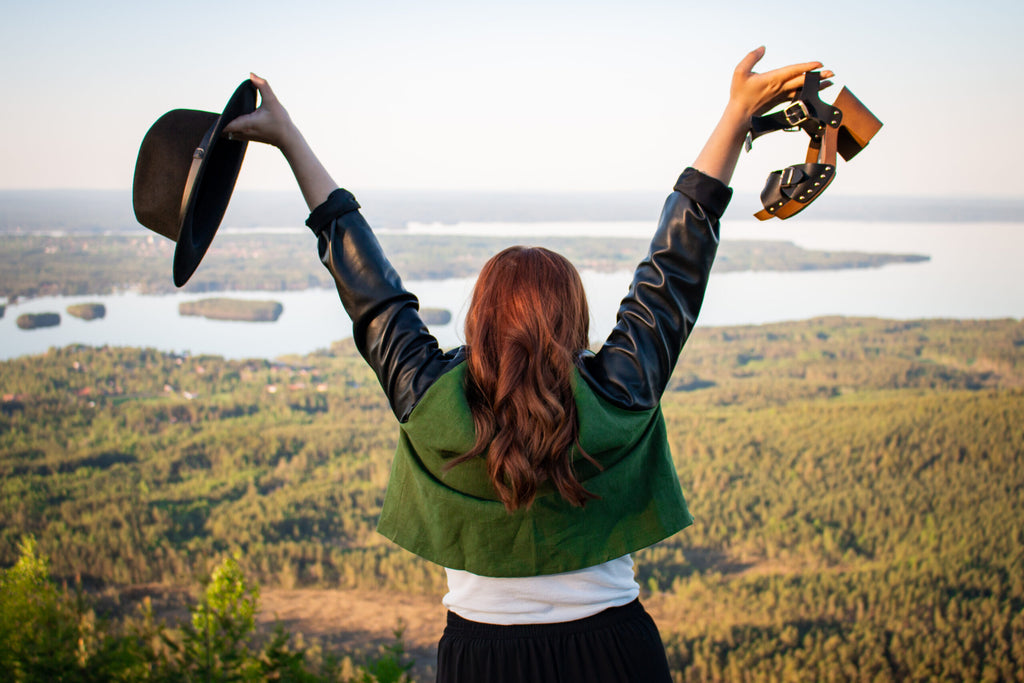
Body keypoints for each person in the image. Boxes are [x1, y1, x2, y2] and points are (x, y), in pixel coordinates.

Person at [224, 47, 832, 683]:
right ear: (571, 319)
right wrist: (736, 115)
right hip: (614, 651)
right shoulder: (619, 393)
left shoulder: (434, 401)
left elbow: (370, 290)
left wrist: (291, 140)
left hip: (483, 657)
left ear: (481, 318)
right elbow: (675, 267)